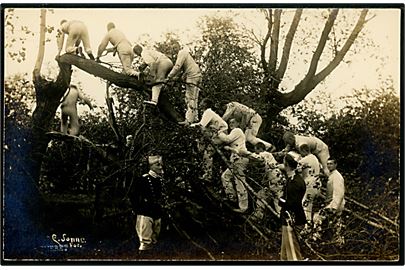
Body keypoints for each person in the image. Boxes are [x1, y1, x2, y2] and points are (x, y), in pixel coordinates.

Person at [129, 155, 165, 251]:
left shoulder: (160, 180)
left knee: (155, 239)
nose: (160, 167)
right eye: (158, 165)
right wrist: (137, 210)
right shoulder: (143, 179)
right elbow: (134, 196)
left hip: (156, 212)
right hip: (145, 212)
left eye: (161, 165)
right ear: (151, 166)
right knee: (145, 242)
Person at [190, 98, 228, 180]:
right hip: (218, 133)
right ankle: (205, 171)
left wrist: (190, 126)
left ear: (206, 104)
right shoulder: (208, 113)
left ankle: (208, 175)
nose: (200, 104)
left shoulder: (208, 112)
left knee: (208, 152)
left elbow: (201, 125)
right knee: (202, 146)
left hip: (222, 133)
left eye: (202, 102)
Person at [279, 152, 307, 261]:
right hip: (290, 218)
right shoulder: (293, 179)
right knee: (285, 253)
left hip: (292, 219)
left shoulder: (295, 182)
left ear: (286, 165)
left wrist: (280, 201)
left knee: (293, 255)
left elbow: (292, 203)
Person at [218, 118, 250, 213]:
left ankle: (243, 207)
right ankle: (232, 198)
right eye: (230, 122)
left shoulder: (237, 130)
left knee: (240, 183)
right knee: (225, 176)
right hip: (236, 160)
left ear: (238, 123)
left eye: (233, 122)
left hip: (240, 159)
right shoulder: (234, 133)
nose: (231, 124)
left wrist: (219, 132)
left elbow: (227, 139)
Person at [165, 45, 202, 125]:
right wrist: (173, 79)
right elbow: (181, 72)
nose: (172, 52)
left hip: (192, 76)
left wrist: (168, 77)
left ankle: (188, 120)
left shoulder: (182, 53)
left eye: (173, 49)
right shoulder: (185, 54)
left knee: (189, 98)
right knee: (194, 98)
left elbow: (177, 67)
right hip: (196, 75)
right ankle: (195, 118)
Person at [248, 142, 286, 218]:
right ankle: (258, 216)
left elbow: (255, 158)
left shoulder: (263, 155)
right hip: (277, 180)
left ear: (260, 149)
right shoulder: (269, 155)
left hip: (275, 181)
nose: (256, 152)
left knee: (277, 203)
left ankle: (285, 222)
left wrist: (242, 153)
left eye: (256, 150)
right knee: (261, 195)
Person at [313, 157, 345, 244]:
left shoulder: (337, 177)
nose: (329, 166)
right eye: (328, 164)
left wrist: (333, 207)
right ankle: (338, 243)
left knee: (318, 219)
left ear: (335, 164)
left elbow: (339, 193)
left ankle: (315, 240)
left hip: (335, 205)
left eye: (331, 164)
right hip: (332, 204)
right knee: (336, 225)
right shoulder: (332, 175)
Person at [298, 144, 321, 226]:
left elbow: (295, 167)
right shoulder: (315, 158)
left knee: (305, 205)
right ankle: (314, 225)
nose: (301, 154)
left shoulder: (306, 159)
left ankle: (307, 226)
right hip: (317, 184)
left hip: (310, 185)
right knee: (311, 205)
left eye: (301, 152)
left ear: (304, 151)